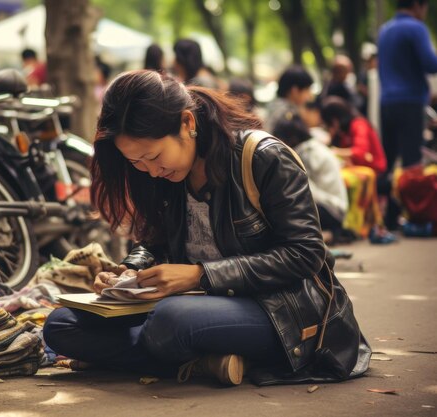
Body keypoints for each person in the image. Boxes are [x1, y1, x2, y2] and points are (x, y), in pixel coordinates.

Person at [43, 70, 370, 386]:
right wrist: (129, 271)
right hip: (193, 303)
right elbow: (155, 240)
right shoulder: (165, 174)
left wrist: (200, 275)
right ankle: (204, 363)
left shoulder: (263, 157)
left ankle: (166, 357)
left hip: (279, 310)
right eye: (135, 163)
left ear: (187, 123)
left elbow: (306, 253)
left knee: (171, 321)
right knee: (61, 324)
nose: (150, 171)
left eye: (153, 156)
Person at [378, 0, 437, 229]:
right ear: (418, 5)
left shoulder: (385, 30)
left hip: (387, 102)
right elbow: (430, 64)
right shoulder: (415, 27)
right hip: (410, 101)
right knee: (413, 163)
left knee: (389, 160)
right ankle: (416, 217)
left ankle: (387, 217)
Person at [321, 97, 395, 243]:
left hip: (375, 171)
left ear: (335, 119)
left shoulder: (359, 124)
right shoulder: (343, 131)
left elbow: (360, 152)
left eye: (330, 123)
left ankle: (359, 227)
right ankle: (350, 226)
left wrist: (334, 151)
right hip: (357, 170)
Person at [273, 113, 348, 243]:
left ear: (291, 137)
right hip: (334, 207)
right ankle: (326, 235)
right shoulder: (311, 147)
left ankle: (313, 238)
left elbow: (303, 190)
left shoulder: (308, 152)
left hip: (332, 210)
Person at [265, 65, 313, 132]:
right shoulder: (287, 115)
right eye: (307, 90)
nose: (310, 95)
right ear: (294, 91)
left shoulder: (276, 107)